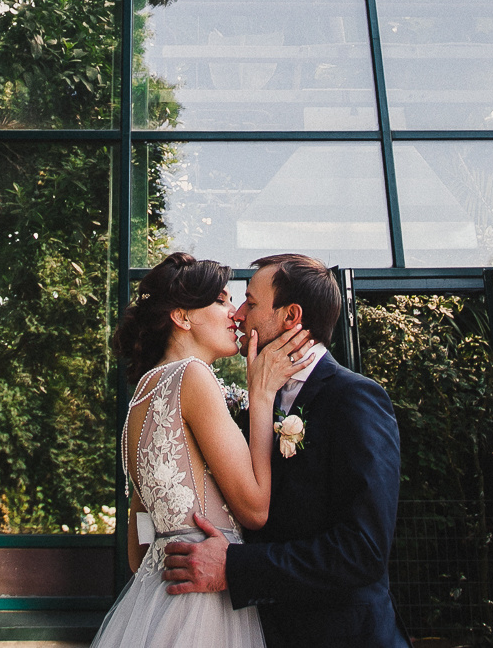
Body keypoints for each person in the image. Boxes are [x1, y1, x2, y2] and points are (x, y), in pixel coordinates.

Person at [162, 253, 406, 648]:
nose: (238, 315)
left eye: (252, 303)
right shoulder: (256, 407)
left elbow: (363, 550)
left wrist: (235, 567)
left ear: (291, 316)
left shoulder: (354, 398)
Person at [90, 253, 308, 648]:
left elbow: (139, 547)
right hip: (204, 605)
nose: (234, 314)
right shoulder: (192, 377)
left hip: (154, 601)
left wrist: (168, 544)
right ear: (182, 317)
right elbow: (256, 510)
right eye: (222, 300)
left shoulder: (141, 398)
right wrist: (261, 396)